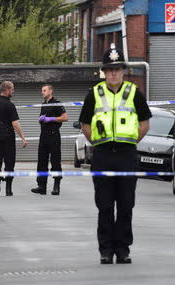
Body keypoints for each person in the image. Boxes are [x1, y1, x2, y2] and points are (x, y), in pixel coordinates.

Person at [79, 44, 151, 265]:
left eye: (117, 69)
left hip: (126, 155)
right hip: (102, 155)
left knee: (126, 205)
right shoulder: (94, 94)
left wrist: (128, 141)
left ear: (123, 71)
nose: (113, 73)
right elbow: (85, 125)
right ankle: (106, 250)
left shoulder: (133, 93)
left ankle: (123, 249)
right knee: (105, 205)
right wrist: (99, 143)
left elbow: (145, 124)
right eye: (109, 69)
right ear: (104, 71)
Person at [0, 81, 27, 196]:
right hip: (8, 137)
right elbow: (15, 124)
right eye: (12, 89)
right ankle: (8, 189)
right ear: (7, 90)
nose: (13, 91)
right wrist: (23, 137)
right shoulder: (10, 105)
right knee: (9, 162)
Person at [30, 84, 68, 195]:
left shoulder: (57, 102)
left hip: (54, 135)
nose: (42, 92)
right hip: (43, 136)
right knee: (41, 162)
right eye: (42, 90)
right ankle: (41, 186)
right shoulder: (43, 105)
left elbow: (65, 117)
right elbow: (42, 119)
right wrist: (40, 119)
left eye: (44, 90)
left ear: (50, 91)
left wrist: (51, 119)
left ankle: (56, 186)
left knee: (55, 161)